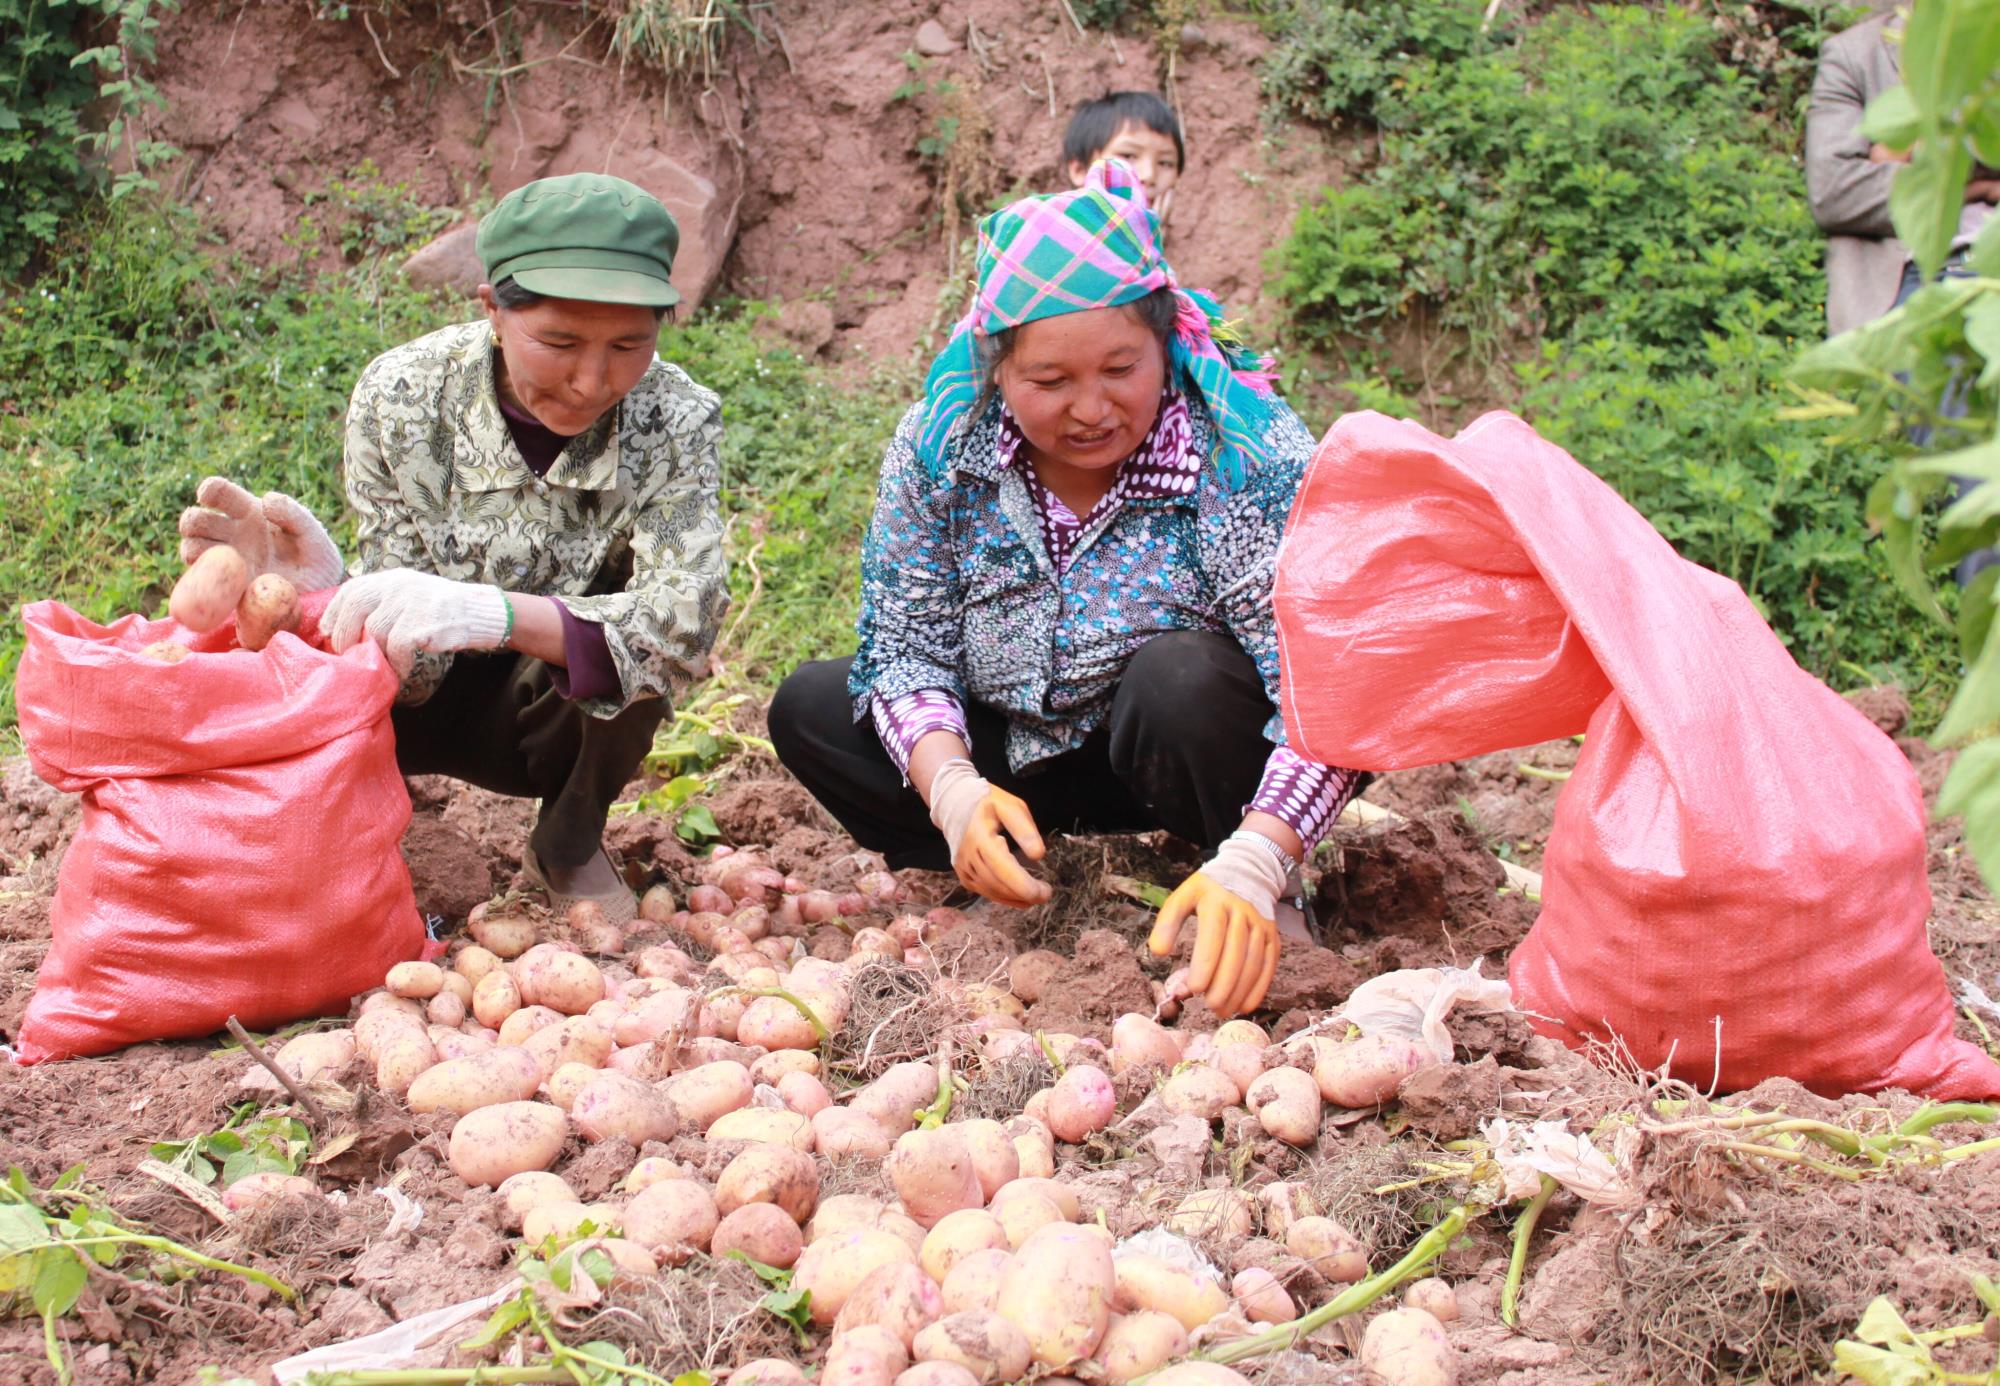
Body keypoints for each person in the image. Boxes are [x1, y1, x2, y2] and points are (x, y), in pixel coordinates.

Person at [768, 160, 1365, 1020]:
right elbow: (905, 649)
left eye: (1121, 369)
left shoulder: (1244, 453)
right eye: (1050, 382)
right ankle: (1006, 854)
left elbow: (1329, 687)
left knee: (1182, 679)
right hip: (1018, 756)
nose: (1091, 409)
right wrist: (952, 789)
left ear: (1166, 345)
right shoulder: (943, 447)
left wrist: (1261, 852)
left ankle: (1250, 882)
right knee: (813, 707)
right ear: (997, 368)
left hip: (1176, 750)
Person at [176, 173, 729, 924]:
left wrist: (494, 614)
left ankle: (567, 843)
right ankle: (362, 833)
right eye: (559, 343)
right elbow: (410, 648)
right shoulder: (404, 397)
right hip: (414, 697)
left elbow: (683, 622)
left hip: (557, 709)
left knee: (641, 645)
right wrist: (329, 593)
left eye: (631, 344)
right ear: (492, 312)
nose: (594, 380)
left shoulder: (676, 419)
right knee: (302, 692)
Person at [1806, 6, 2000, 336]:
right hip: (1920, 278)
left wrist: (1908, 150)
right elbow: (1834, 192)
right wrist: (1977, 182)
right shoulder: (1855, 55)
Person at [1062, 92, 1185, 226]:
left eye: (1165, 163)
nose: (1149, 175)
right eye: (1128, 156)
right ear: (1080, 170)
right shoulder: (1050, 232)